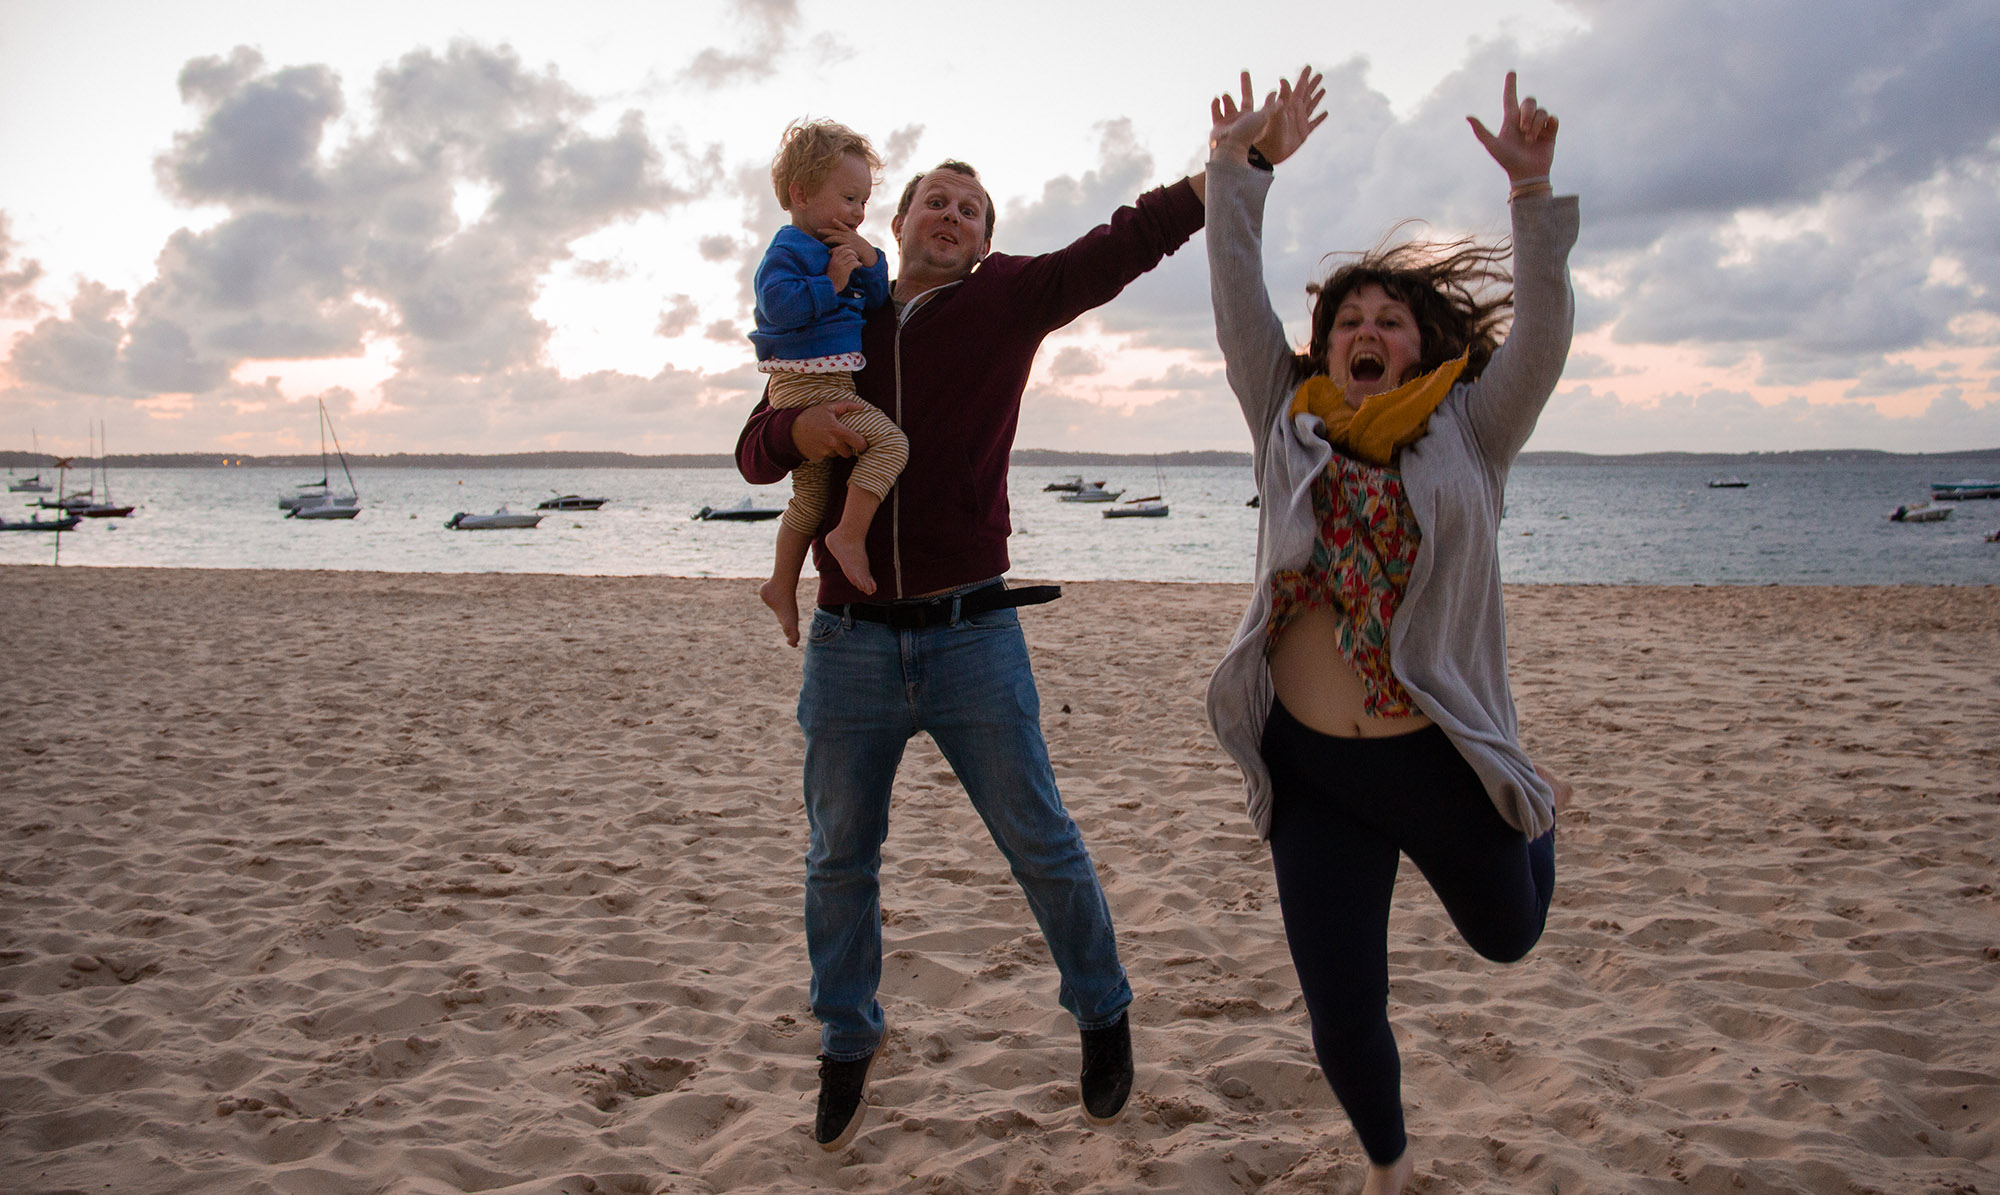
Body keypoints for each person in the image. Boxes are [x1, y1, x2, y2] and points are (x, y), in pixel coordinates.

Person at [735, 155, 1207, 1150]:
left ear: (984, 239)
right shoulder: (837, 303)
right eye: (933, 201)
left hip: (971, 632)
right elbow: (751, 447)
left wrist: (1216, 180)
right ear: (897, 220)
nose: (949, 215)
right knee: (836, 860)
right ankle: (846, 1036)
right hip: (848, 644)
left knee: (1039, 839)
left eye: (969, 209)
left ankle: (1100, 1010)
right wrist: (796, 430)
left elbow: (1114, 249)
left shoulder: (1005, 299)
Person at [1203, 67, 1576, 1195]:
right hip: (1312, 766)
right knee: (1339, 1004)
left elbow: (1544, 335)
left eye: (1388, 321)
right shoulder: (1285, 413)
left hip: (1434, 752)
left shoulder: (1471, 428)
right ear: (1323, 347)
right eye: (1347, 320)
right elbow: (1233, 303)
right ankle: (1387, 1164)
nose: (1366, 331)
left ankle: (1531, 802)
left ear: (1419, 347)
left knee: (1508, 935)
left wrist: (1531, 196)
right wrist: (1233, 172)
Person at [750, 120, 902, 645]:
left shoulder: (841, 245)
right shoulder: (789, 250)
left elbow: (877, 300)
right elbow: (778, 306)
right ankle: (849, 535)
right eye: (848, 197)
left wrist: (867, 257)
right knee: (892, 443)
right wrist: (830, 281)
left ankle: (780, 584)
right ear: (801, 194)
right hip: (806, 383)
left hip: (829, 380)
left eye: (864, 202)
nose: (859, 213)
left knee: (810, 497)